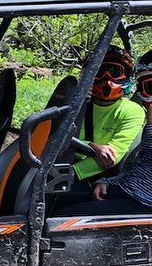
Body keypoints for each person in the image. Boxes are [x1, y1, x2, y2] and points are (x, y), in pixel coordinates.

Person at [56, 46, 152, 216]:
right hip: (127, 191)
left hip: (150, 204)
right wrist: (110, 182)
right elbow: (142, 169)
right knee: (52, 203)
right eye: (151, 87)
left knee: (59, 217)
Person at [51, 47, 146, 208]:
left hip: (89, 177)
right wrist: (92, 146)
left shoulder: (132, 111)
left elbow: (110, 157)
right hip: (57, 164)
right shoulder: (76, 104)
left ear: (126, 78)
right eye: (100, 71)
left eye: (114, 71)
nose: (106, 78)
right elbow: (55, 136)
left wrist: (70, 174)